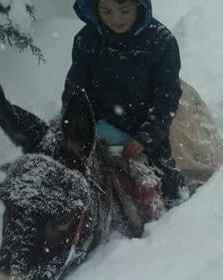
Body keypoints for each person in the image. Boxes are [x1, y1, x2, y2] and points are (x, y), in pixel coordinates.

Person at [63, 0, 188, 207]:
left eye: (124, 10)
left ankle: (175, 213)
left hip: (144, 126)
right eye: (107, 11)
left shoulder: (160, 41)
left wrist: (145, 137)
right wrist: (78, 130)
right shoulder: (87, 40)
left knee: (167, 186)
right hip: (99, 126)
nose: (116, 19)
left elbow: (167, 96)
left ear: (139, 6)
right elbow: (75, 92)